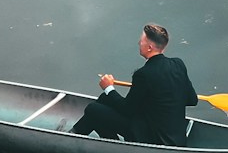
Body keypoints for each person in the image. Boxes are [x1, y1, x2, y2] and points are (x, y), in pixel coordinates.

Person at [69, 22, 197, 145]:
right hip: (176, 137)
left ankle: (72, 138)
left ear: (149, 47)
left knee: (93, 109)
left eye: (141, 41)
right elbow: (192, 100)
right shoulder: (178, 64)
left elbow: (127, 110)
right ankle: (76, 134)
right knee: (104, 99)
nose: (138, 43)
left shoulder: (144, 74)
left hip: (154, 138)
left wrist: (108, 88)